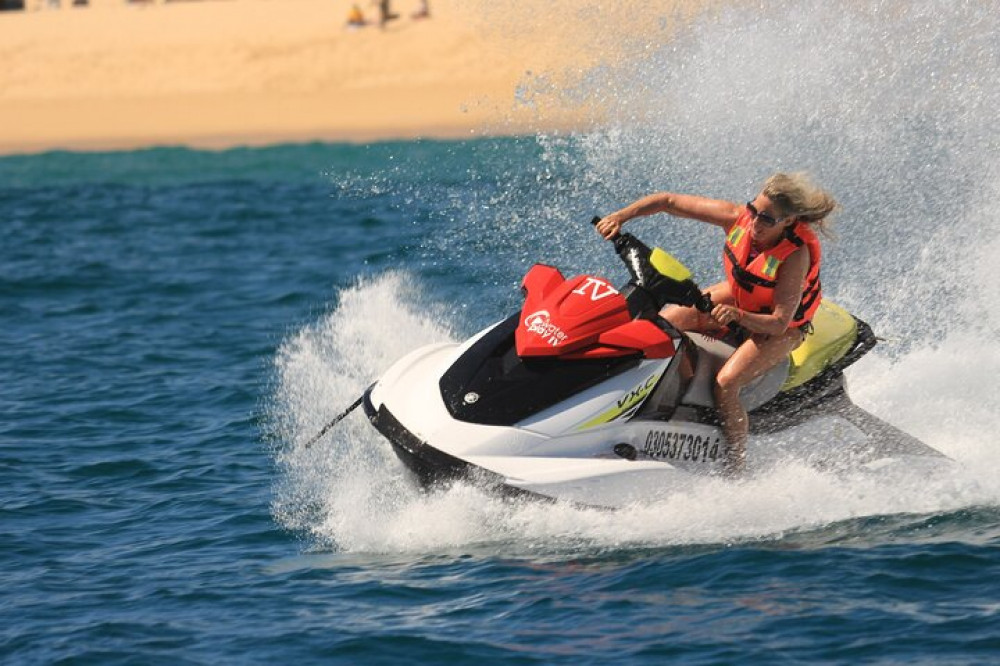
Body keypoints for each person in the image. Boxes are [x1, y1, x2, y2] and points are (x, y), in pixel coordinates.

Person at [596, 173, 837, 476]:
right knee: (662, 327)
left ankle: (736, 464)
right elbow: (667, 201)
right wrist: (621, 216)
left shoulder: (794, 255)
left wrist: (740, 317)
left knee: (726, 384)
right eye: (753, 210)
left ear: (787, 222)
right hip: (740, 297)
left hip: (781, 327)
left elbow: (779, 321)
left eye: (766, 219)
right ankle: (667, 407)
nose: (754, 223)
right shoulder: (736, 217)